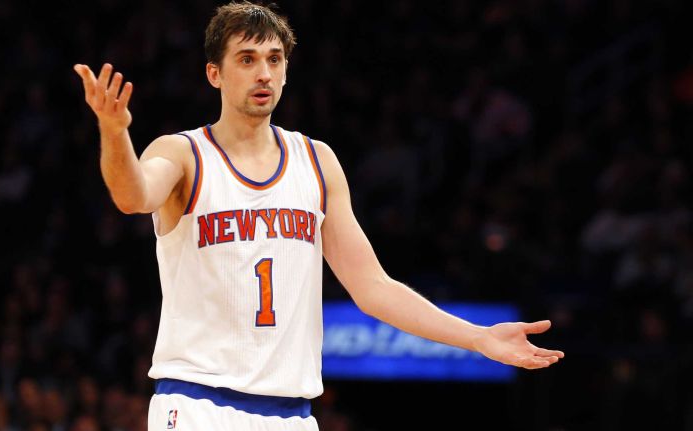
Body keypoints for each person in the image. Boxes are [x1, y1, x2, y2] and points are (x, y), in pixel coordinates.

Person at [73, 2, 564, 430]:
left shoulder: (316, 161)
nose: (263, 73)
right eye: (247, 59)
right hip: (198, 403)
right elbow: (132, 195)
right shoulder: (183, 153)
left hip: (292, 414)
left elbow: (373, 288)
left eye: (274, 59)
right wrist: (115, 134)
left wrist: (477, 337)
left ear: (287, 71)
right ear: (214, 74)